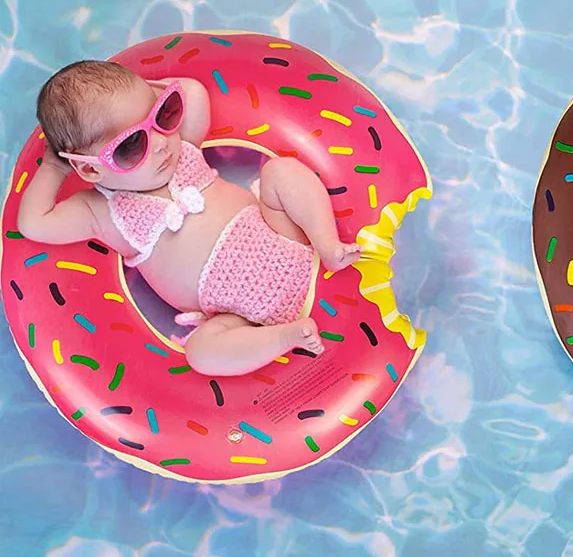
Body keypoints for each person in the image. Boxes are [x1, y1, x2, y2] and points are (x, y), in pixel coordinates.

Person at [17, 61, 360, 376]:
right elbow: (34, 223)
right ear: (89, 168)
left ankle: (327, 243)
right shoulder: (101, 213)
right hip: (239, 317)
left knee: (281, 172)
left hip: (284, 234)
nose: (160, 145)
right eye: (131, 146)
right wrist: (53, 167)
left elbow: (193, 91)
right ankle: (283, 338)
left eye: (162, 118)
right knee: (201, 353)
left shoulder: (185, 149)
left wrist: (148, 99)